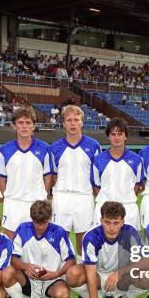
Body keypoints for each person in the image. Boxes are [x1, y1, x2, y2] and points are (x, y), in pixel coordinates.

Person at [65, 201, 147, 298]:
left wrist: (119, 273)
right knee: (72, 275)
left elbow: (145, 261)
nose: (111, 227)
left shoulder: (130, 233)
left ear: (122, 222)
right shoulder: (92, 237)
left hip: (122, 276)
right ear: (101, 220)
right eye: (107, 222)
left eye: (116, 223)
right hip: (98, 275)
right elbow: (91, 276)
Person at [1, 200, 75, 298]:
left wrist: (56, 274)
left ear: (50, 217)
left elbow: (71, 260)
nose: (40, 227)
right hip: (29, 279)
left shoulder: (59, 232)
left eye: (44, 223)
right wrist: (25, 266)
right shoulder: (22, 229)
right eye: (37, 223)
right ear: (31, 218)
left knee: (63, 296)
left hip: (52, 280)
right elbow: (13, 259)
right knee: (7, 273)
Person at [50, 105, 101, 255]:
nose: (72, 123)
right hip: (62, 197)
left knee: (84, 241)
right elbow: (53, 175)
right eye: (69, 120)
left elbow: (96, 175)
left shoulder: (93, 145)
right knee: (60, 240)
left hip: (84, 197)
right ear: (64, 123)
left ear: (81, 122)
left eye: (76, 120)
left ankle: (83, 275)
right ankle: (61, 275)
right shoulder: (55, 147)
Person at [0, 106, 53, 239]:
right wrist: (9, 196)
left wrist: (41, 196)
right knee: (11, 244)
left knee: (39, 244)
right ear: (14, 126)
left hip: (37, 203)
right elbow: (1, 178)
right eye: (20, 123)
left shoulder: (45, 148)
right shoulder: (5, 150)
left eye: (28, 123)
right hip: (13, 204)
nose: (24, 126)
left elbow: (48, 177)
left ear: (33, 126)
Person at [92, 118, 143, 230]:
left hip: (128, 208)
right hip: (104, 208)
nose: (116, 137)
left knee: (129, 246)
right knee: (102, 246)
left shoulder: (136, 160)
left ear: (125, 136)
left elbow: (138, 185)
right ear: (108, 136)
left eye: (120, 134)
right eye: (113, 134)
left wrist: (125, 197)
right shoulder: (98, 160)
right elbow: (96, 186)